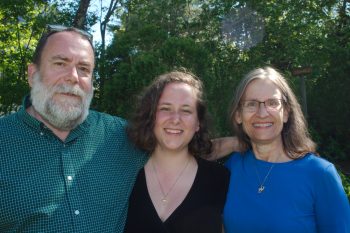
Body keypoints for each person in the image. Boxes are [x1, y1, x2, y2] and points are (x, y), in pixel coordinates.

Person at [0, 25, 235, 233]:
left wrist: (244, 142)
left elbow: (175, 143)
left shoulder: (116, 134)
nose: (72, 77)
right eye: (60, 63)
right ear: (32, 74)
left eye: (83, 68)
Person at [222, 66, 350, 233]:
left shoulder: (320, 174)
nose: (262, 113)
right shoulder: (234, 166)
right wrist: (229, 143)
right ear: (238, 114)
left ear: (286, 113)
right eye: (251, 104)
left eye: (272, 103)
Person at [123, 70, 230, 233]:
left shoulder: (221, 179)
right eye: (165, 108)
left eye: (186, 110)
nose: (175, 119)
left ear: (198, 123)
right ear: (151, 117)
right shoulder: (125, 176)